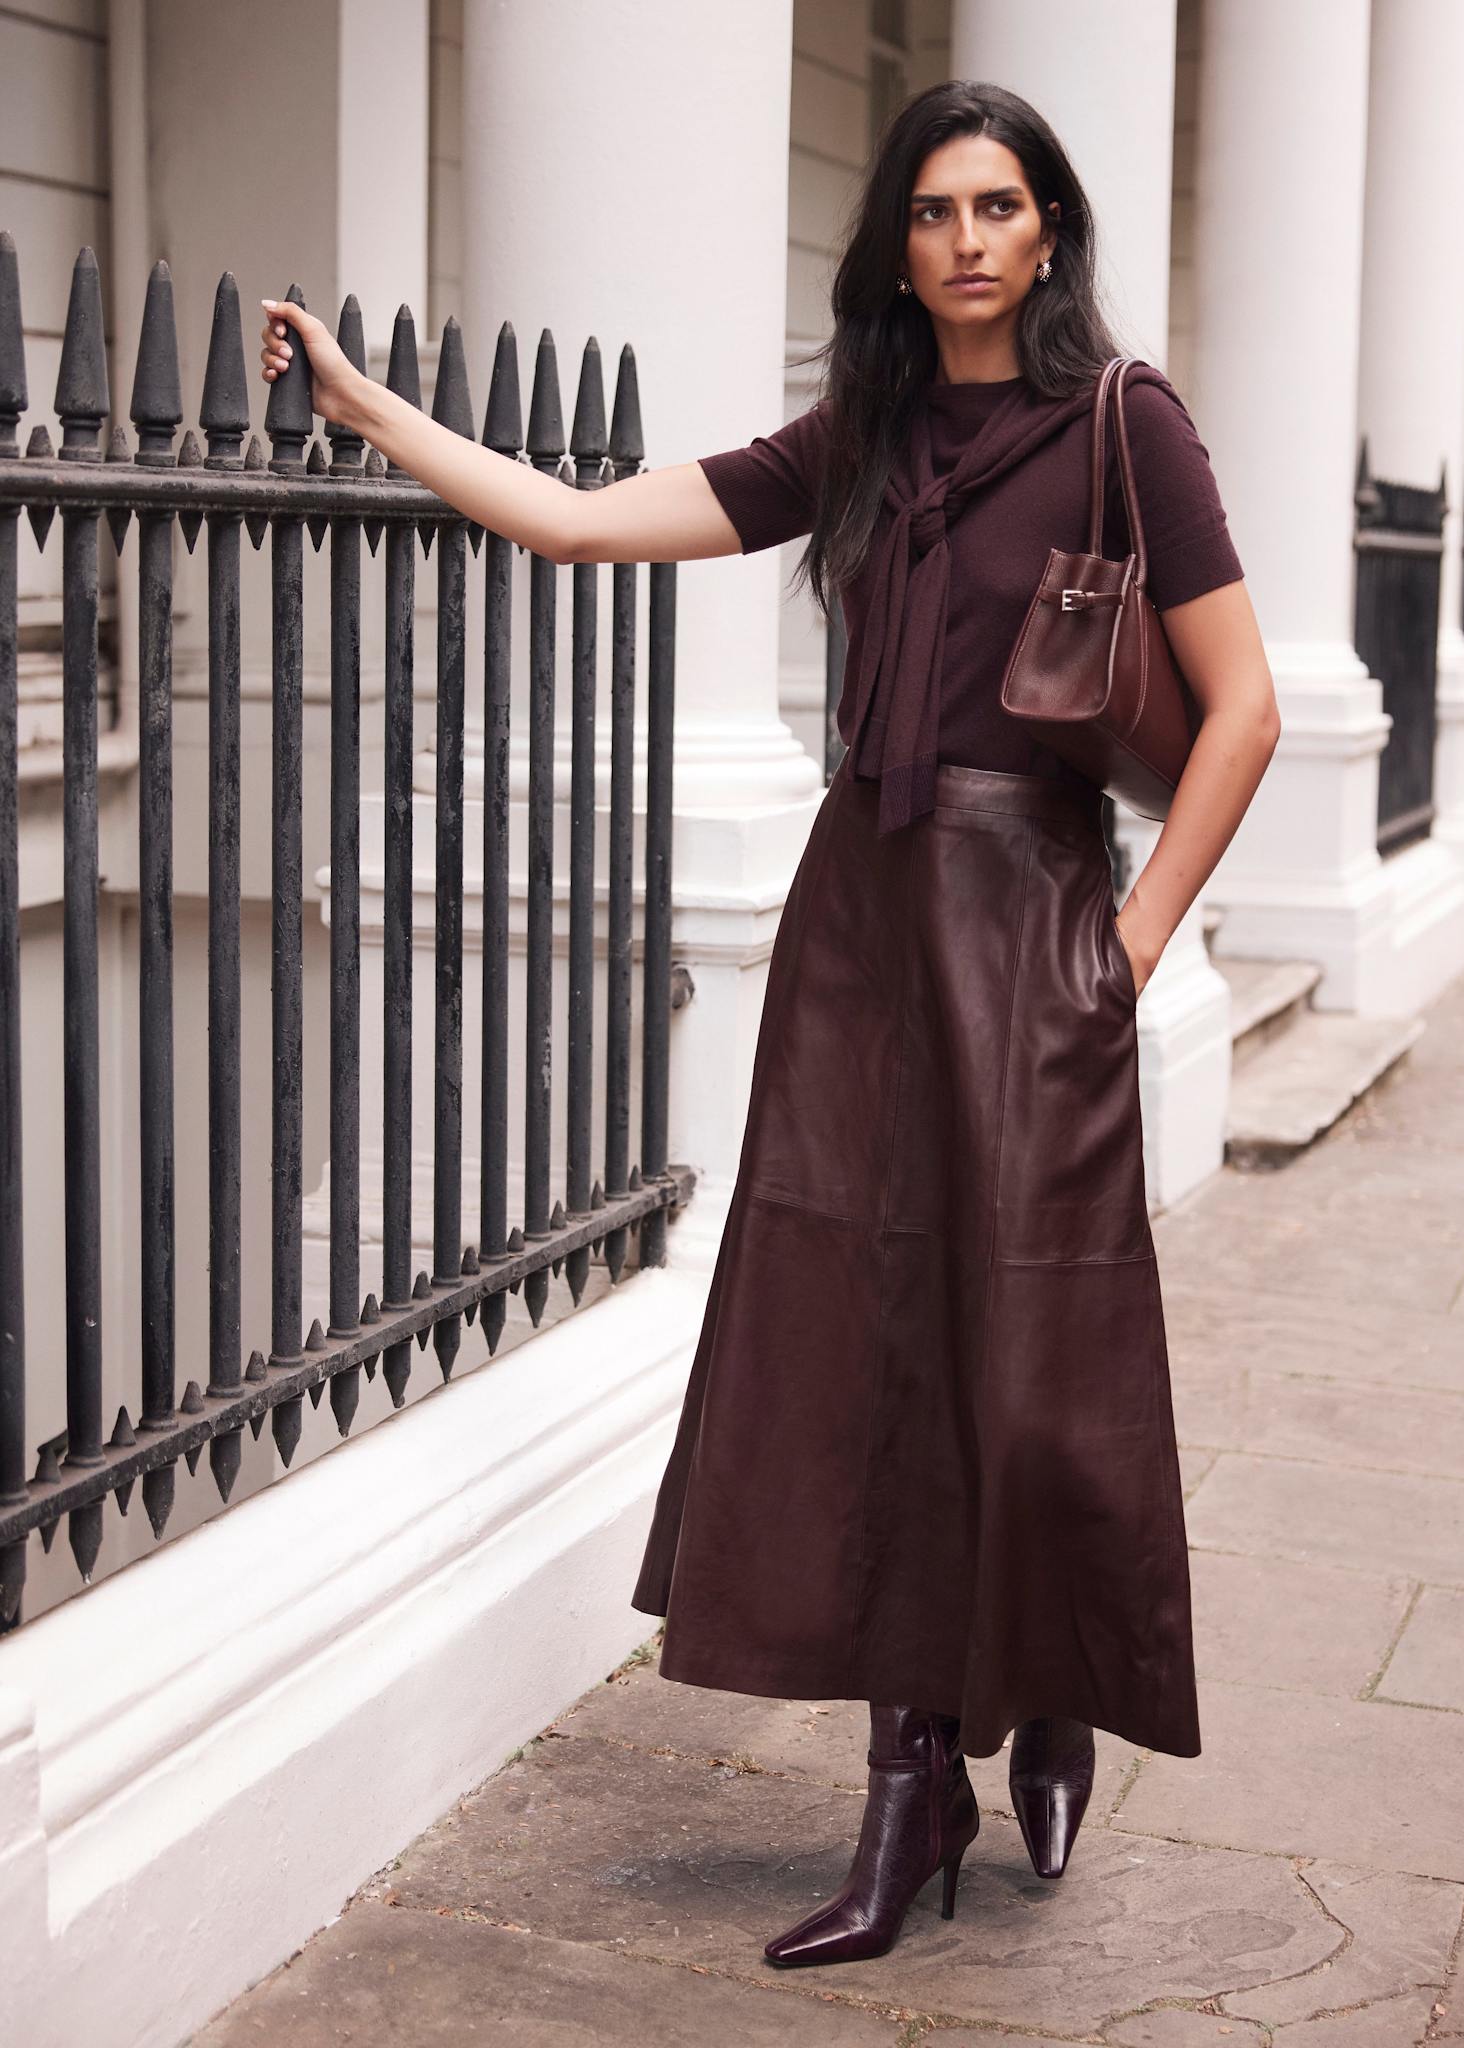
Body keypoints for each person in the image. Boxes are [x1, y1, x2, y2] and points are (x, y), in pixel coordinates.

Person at [261, 78, 1279, 1973]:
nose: (963, 239)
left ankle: (1044, 1690)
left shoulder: (1123, 425)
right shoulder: (867, 438)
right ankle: (914, 1783)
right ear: (893, 246)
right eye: (929, 212)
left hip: (1030, 928)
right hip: (857, 930)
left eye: (995, 207)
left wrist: (1129, 954)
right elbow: (575, 521)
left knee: (1033, 1343)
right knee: (856, 1330)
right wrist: (375, 411)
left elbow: (1240, 710)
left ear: (1047, 231)